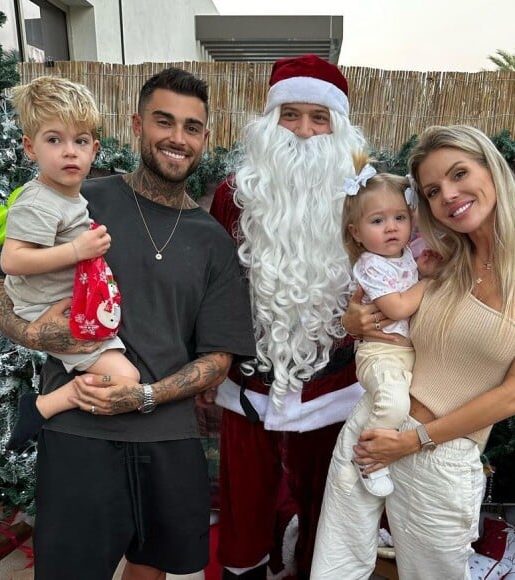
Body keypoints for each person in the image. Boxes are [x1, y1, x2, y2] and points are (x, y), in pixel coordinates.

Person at [0, 67, 256, 580]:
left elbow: (218, 358)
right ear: (136, 125)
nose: (177, 137)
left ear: (205, 138)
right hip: (79, 427)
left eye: (191, 127)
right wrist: (33, 333)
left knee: (151, 570)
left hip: (168, 436)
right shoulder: (84, 200)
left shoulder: (214, 240)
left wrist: (145, 396)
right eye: (163, 121)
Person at [312, 125, 515, 579]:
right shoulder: (445, 260)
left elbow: (511, 396)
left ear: (492, 169)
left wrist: (411, 442)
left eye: (460, 174)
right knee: (335, 567)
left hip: (436, 456)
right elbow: (383, 304)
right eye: (433, 190)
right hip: (373, 427)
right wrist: (352, 319)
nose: (450, 195)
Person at [209, 54, 368, 580]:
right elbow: (215, 290)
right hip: (249, 389)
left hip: (335, 388)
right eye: (291, 115)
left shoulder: (365, 195)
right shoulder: (234, 195)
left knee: (332, 511)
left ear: (338, 126)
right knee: (244, 511)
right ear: (269, 122)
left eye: (318, 118)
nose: (303, 131)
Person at [2, 76, 139, 451]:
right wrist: (78, 250)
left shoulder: (66, 195)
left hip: (65, 301)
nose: (69, 152)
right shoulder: (38, 201)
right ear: (30, 147)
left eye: (79, 141)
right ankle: (46, 404)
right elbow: (12, 260)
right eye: (54, 140)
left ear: (94, 149)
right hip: (46, 308)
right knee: (126, 381)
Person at [340, 154, 439, 496]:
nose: (392, 227)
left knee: (403, 406)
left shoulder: (403, 255)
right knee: (392, 404)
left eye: (399, 217)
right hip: (380, 354)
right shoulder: (370, 265)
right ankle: (369, 459)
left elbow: (407, 283)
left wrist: (422, 271)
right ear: (356, 233)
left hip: (403, 354)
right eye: (378, 221)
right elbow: (396, 307)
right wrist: (429, 283)